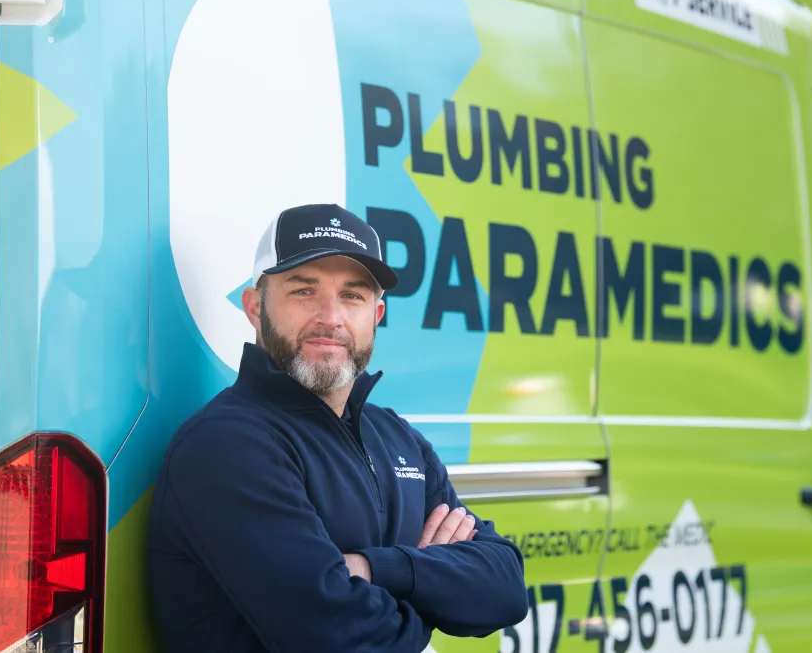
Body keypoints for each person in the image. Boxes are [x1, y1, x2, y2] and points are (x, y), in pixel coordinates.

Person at [146, 203, 529, 652]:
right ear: (254, 307)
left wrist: (376, 571)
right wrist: (431, 600)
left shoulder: (398, 439)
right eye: (304, 291)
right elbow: (335, 637)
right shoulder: (227, 444)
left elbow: (505, 588)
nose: (331, 317)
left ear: (376, 315)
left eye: (352, 295)